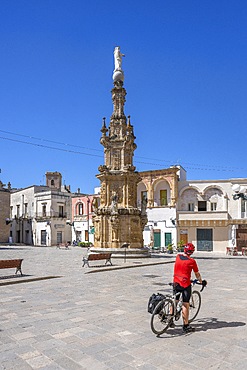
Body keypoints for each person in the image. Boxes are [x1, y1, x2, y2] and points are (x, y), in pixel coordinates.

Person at [172, 242, 206, 333]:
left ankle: (170, 320)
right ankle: (186, 325)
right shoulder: (192, 261)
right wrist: (201, 282)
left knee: (175, 300)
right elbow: (197, 274)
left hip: (175, 282)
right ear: (191, 252)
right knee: (185, 304)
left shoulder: (177, 257)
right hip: (185, 284)